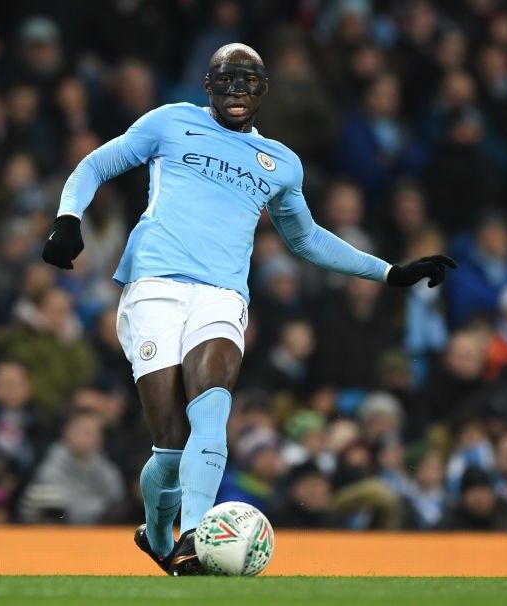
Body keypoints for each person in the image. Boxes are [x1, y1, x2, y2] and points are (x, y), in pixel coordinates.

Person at [40, 43, 457, 575]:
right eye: (227, 78)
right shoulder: (170, 121)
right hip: (154, 284)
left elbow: (305, 238)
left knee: (211, 406)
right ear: (208, 85)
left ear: (263, 90)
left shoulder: (281, 162)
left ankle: (193, 536)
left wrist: (389, 272)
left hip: (223, 294)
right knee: (170, 445)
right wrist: (68, 218)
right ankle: (158, 531)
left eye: (249, 80)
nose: (237, 90)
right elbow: (97, 163)